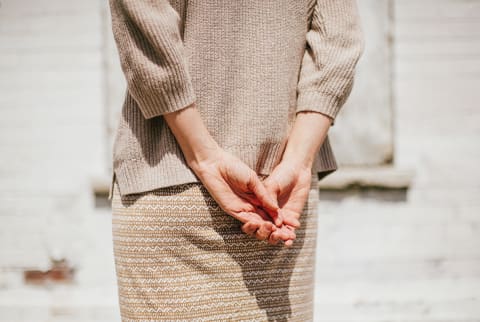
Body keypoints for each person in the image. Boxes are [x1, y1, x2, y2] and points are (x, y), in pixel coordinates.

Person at [108, 0, 364, 320]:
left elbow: (146, 22)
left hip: (178, 173)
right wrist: (298, 160)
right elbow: (338, 39)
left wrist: (204, 154)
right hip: (281, 190)